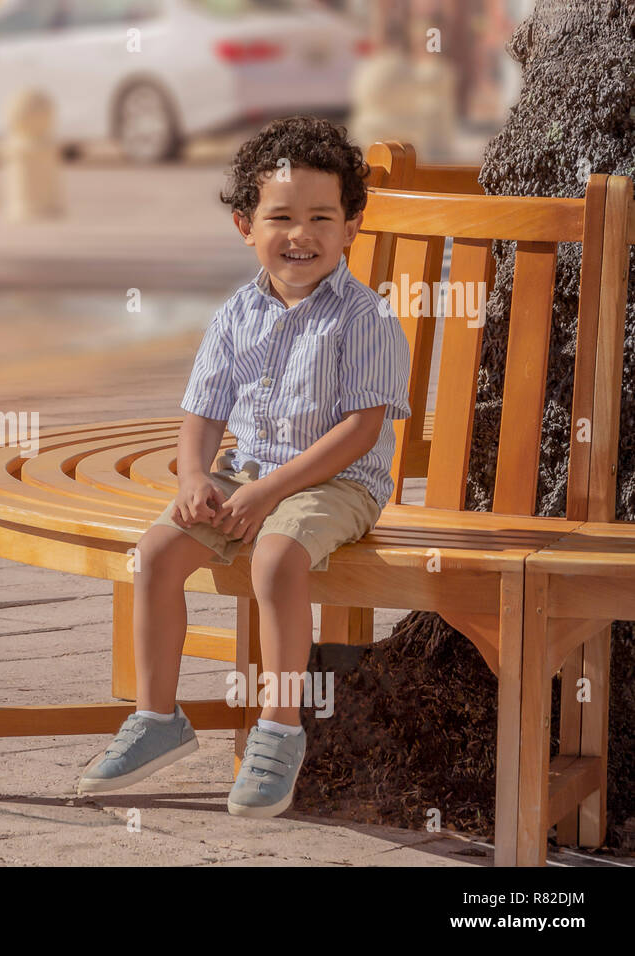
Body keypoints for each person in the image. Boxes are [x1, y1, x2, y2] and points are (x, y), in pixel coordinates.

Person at [76, 115, 411, 818]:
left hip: (340, 483)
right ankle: (158, 719)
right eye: (281, 216)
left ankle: (279, 730)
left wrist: (266, 494)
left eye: (323, 216)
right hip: (244, 470)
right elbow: (202, 411)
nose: (301, 233)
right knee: (158, 551)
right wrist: (194, 477)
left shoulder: (367, 318)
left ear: (352, 226)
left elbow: (361, 431)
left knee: (275, 557)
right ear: (244, 225)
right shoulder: (235, 316)